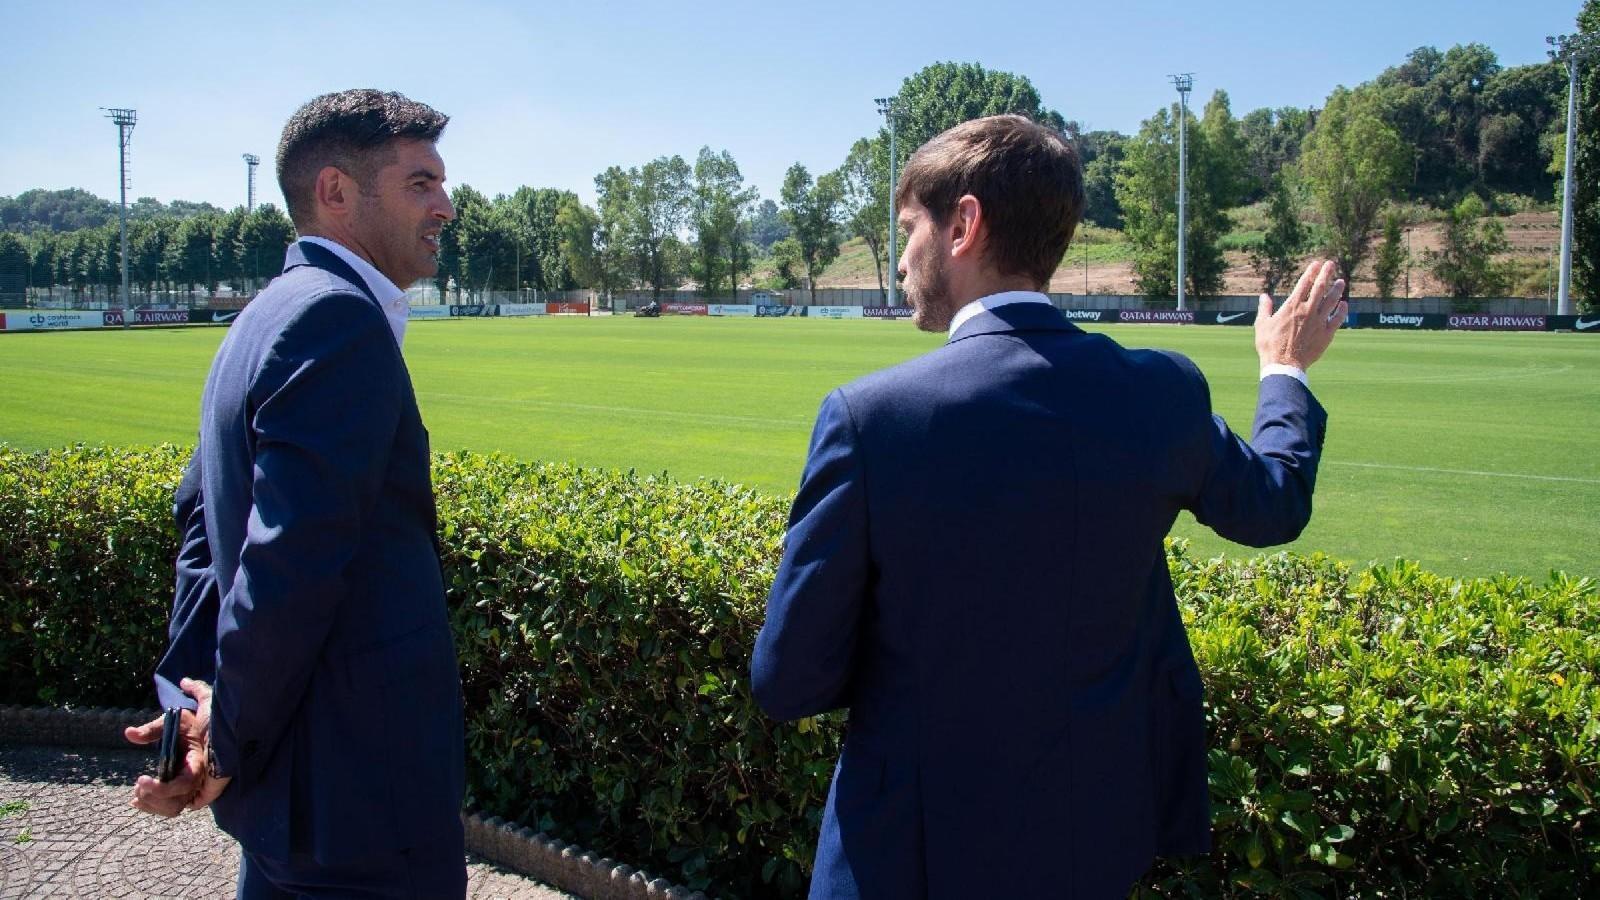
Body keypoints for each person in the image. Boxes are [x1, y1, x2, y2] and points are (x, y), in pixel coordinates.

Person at [750, 114, 1346, 898]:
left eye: (908, 230)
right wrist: (1284, 372)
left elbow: (787, 679)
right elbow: (1273, 504)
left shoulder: (870, 421)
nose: (900, 259)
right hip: (1090, 845)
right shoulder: (1159, 394)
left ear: (963, 225)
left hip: (909, 864)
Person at [124, 89, 465, 898]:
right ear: (337, 192)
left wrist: (193, 730)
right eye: (420, 183)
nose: (446, 206)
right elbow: (286, 568)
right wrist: (226, 741)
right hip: (360, 810)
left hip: (287, 805)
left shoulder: (261, 317)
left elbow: (205, 536)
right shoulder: (337, 321)